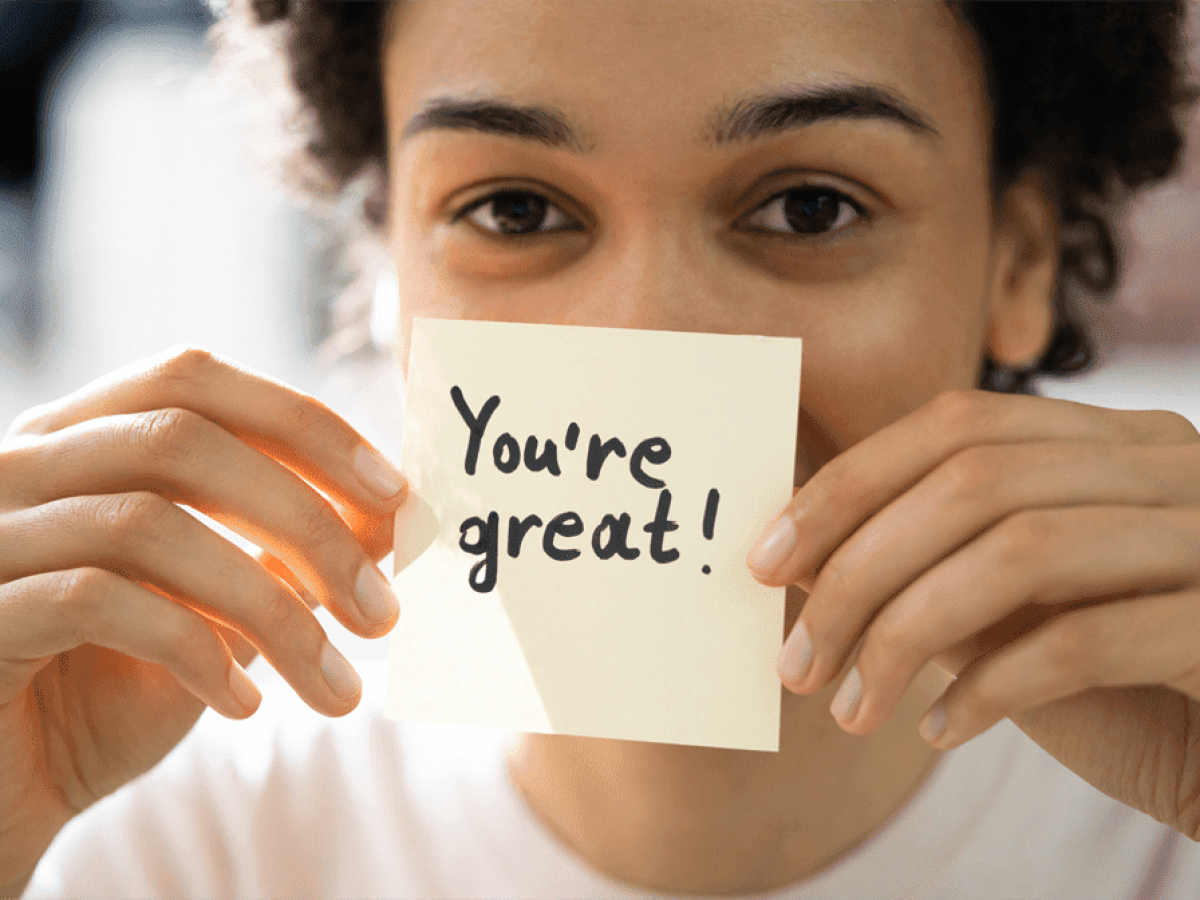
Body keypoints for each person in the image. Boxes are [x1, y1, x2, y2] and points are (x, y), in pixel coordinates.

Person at [5, 1, 1200, 897]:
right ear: (387, 273)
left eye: (811, 207)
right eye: (513, 210)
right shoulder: (159, 848)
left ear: (1020, 262)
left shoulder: (1167, 819)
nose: (646, 340)